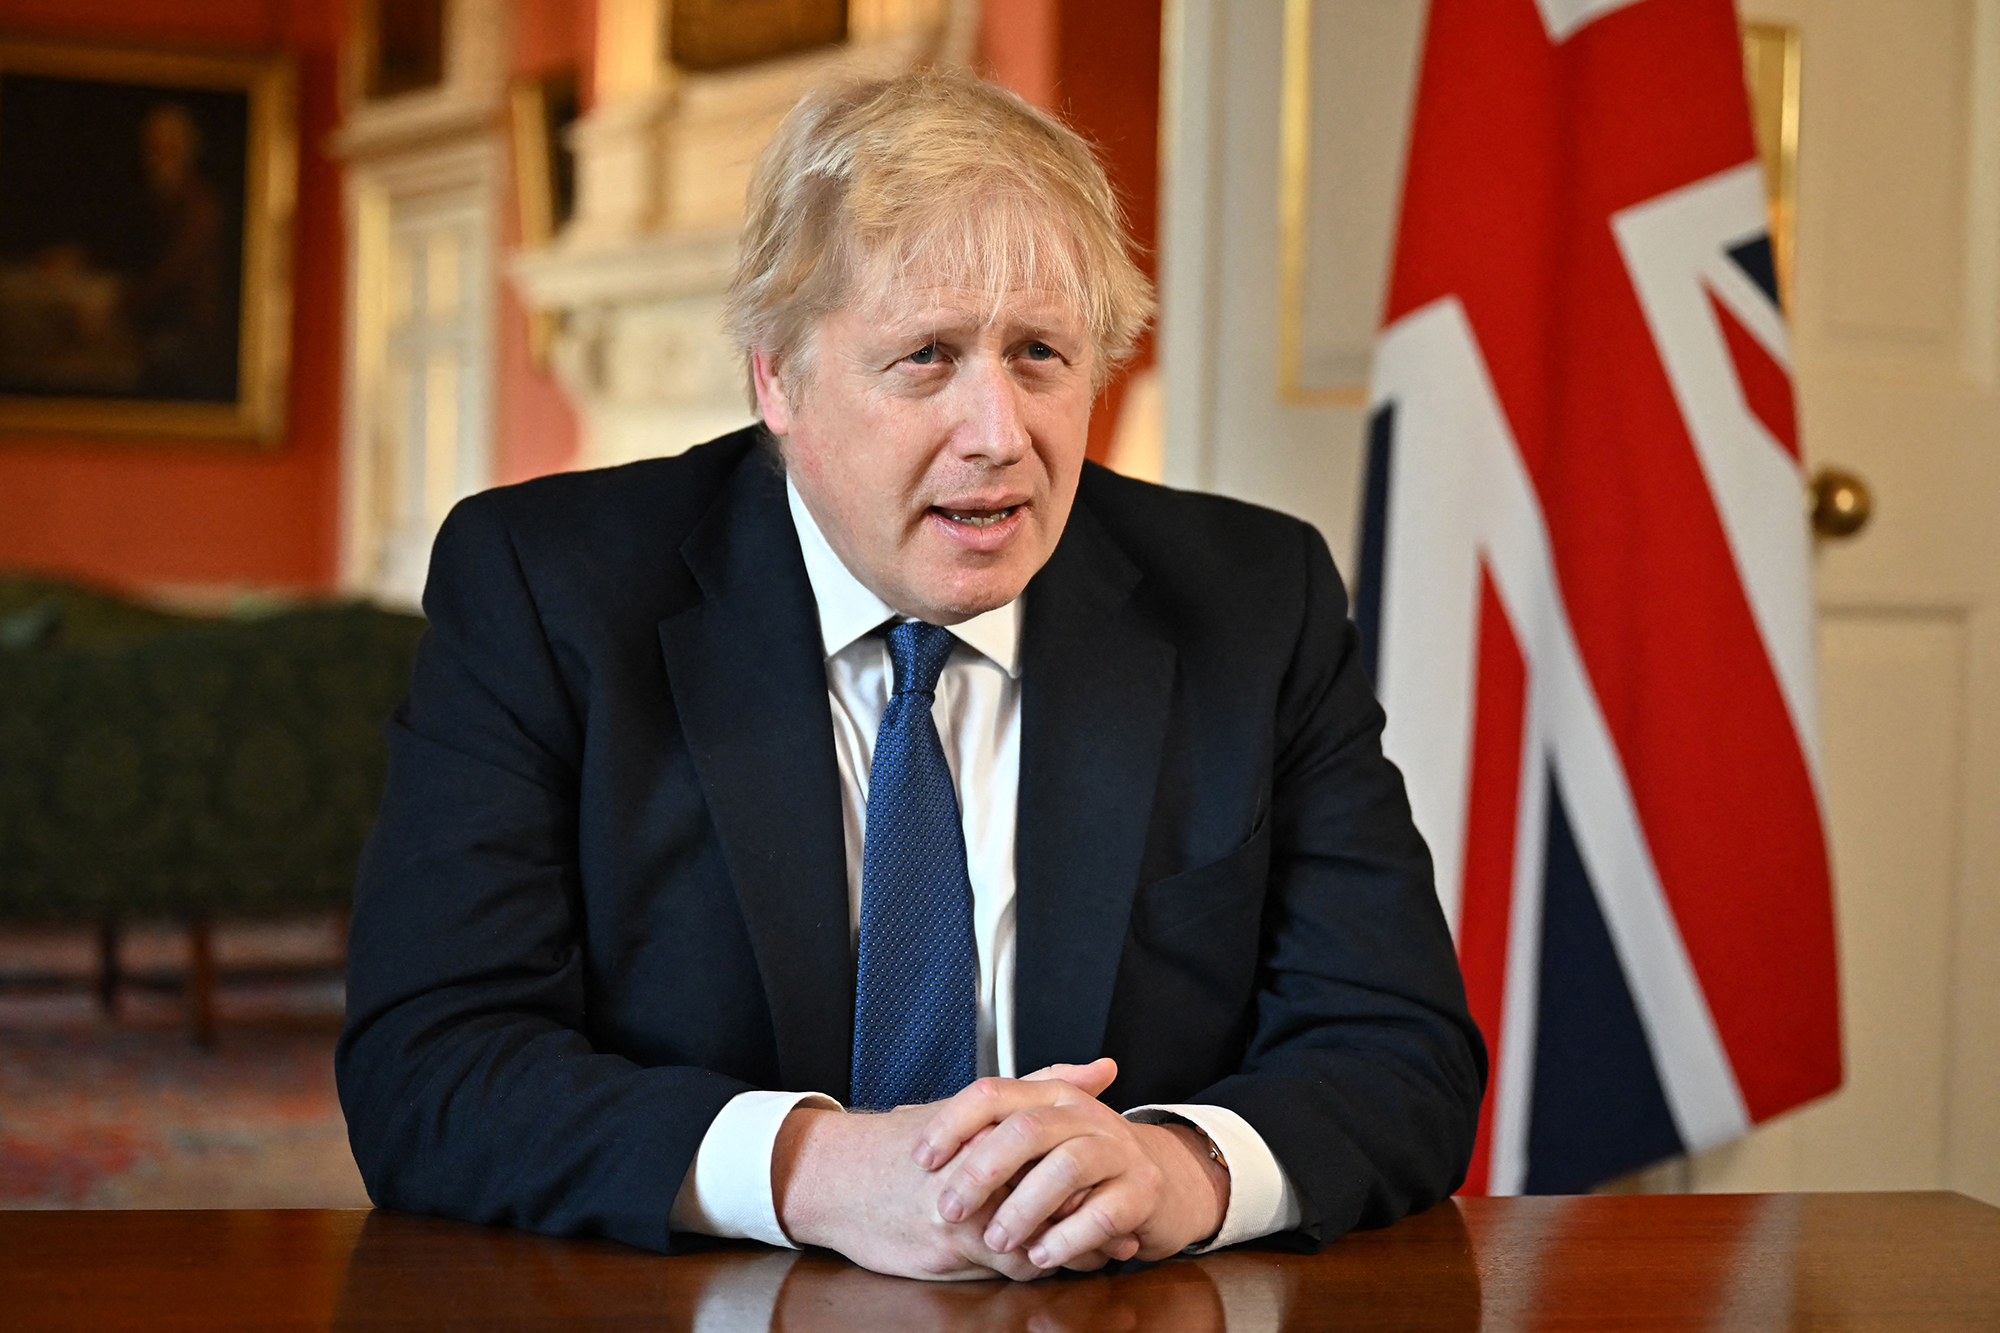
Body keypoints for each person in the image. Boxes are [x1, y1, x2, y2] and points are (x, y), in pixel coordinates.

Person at [335, 68, 1483, 1281]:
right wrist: (813, 1168)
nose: (998, 431)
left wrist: (1181, 1167)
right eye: (927, 358)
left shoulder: (1255, 600)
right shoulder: (548, 589)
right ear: (775, 375)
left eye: (1040, 353)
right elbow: (429, 1060)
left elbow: (1399, 1049)